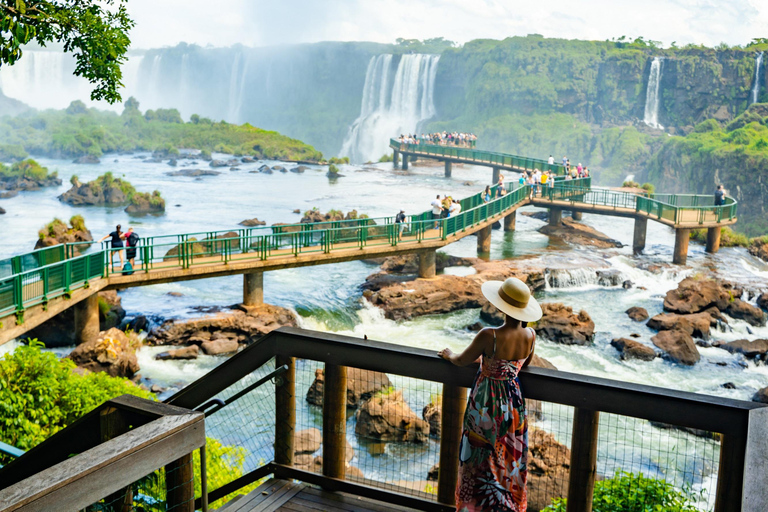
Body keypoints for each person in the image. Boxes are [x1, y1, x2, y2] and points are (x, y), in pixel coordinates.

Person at [438, 277, 541, 511]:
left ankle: (474, 507)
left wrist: (449, 353)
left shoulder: (489, 335)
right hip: (513, 403)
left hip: (486, 402)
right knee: (508, 457)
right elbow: (520, 365)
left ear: (501, 306)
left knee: (479, 457)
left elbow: (462, 360)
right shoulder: (531, 336)